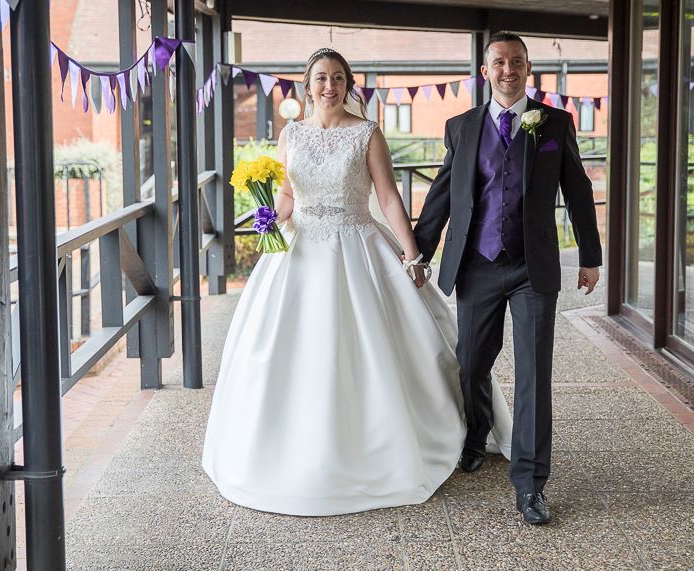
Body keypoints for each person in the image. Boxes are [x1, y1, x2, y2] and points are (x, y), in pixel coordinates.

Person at [202, 48, 511, 516]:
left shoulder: (367, 133)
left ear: (348, 84)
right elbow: (286, 194)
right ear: (307, 85)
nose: (329, 86)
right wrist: (269, 218)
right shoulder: (291, 134)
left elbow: (388, 198)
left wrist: (412, 255)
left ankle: (406, 436)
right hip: (299, 251)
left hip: (357, 244)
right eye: (321, 78)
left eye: (338, 78)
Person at [414, 31, 602, 526]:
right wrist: (417, 253)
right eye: (499, 62)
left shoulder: (555, 123)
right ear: (485, 71)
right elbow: (443, 194)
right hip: (477, 265)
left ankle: (531, 484)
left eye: (516, 61)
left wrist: (590, 255)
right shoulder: (460, 127)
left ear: (528, 68)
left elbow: (578, 190)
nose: (508, 69)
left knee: (534, 374)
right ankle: (476, 435)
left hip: (531, 267)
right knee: (471, 363)